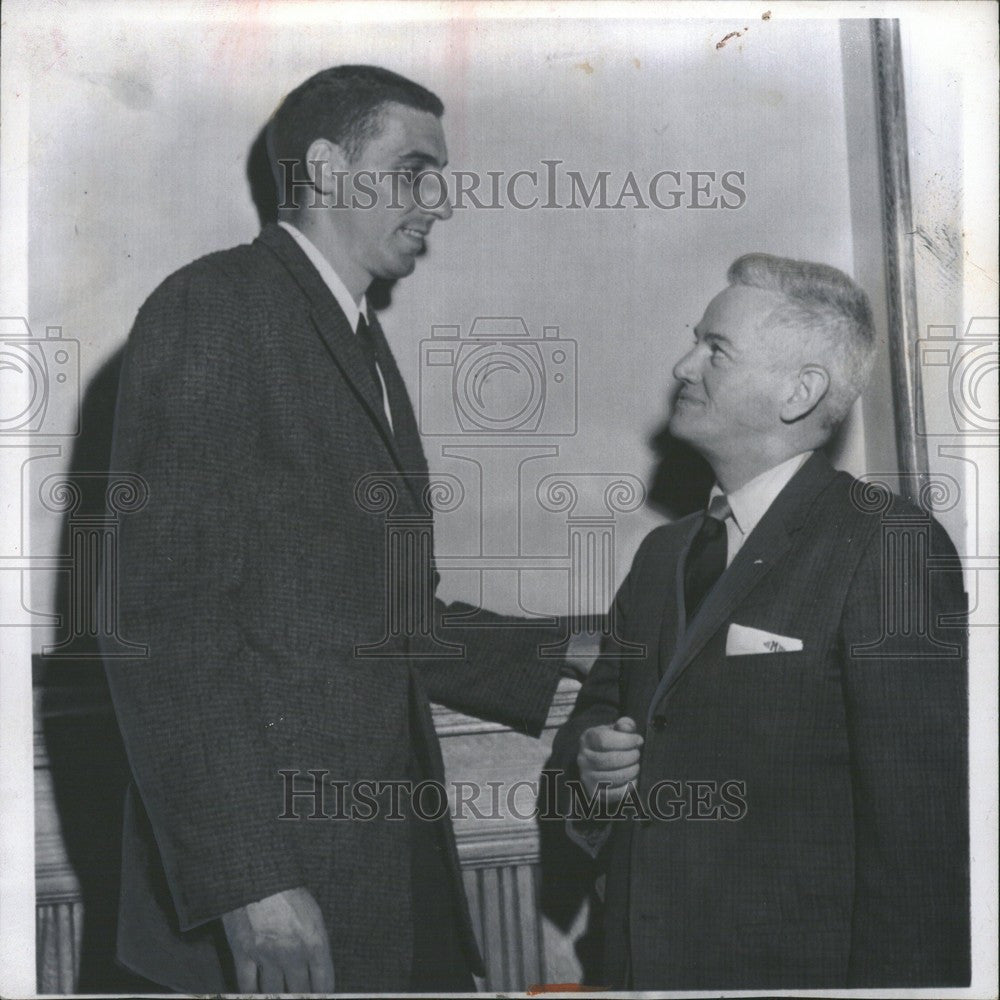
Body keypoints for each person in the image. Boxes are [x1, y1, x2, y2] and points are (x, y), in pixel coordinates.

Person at [103, 65, 566, 994]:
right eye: (413, 170)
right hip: (274, 884)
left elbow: (372, 611)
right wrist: (252, 883)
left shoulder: (349, 332)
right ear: (326, 166)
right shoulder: (217, 309)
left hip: (376, 866)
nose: (437, 202)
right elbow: (162, 624)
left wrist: (570, 658)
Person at [549, 253, 969, 989]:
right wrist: (592, 769)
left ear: (799, 391)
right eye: (695, 341)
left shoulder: (887, 546)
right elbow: (587, 739)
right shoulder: (660, 555)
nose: (683, 366)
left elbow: (920, 847)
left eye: (717, 349)